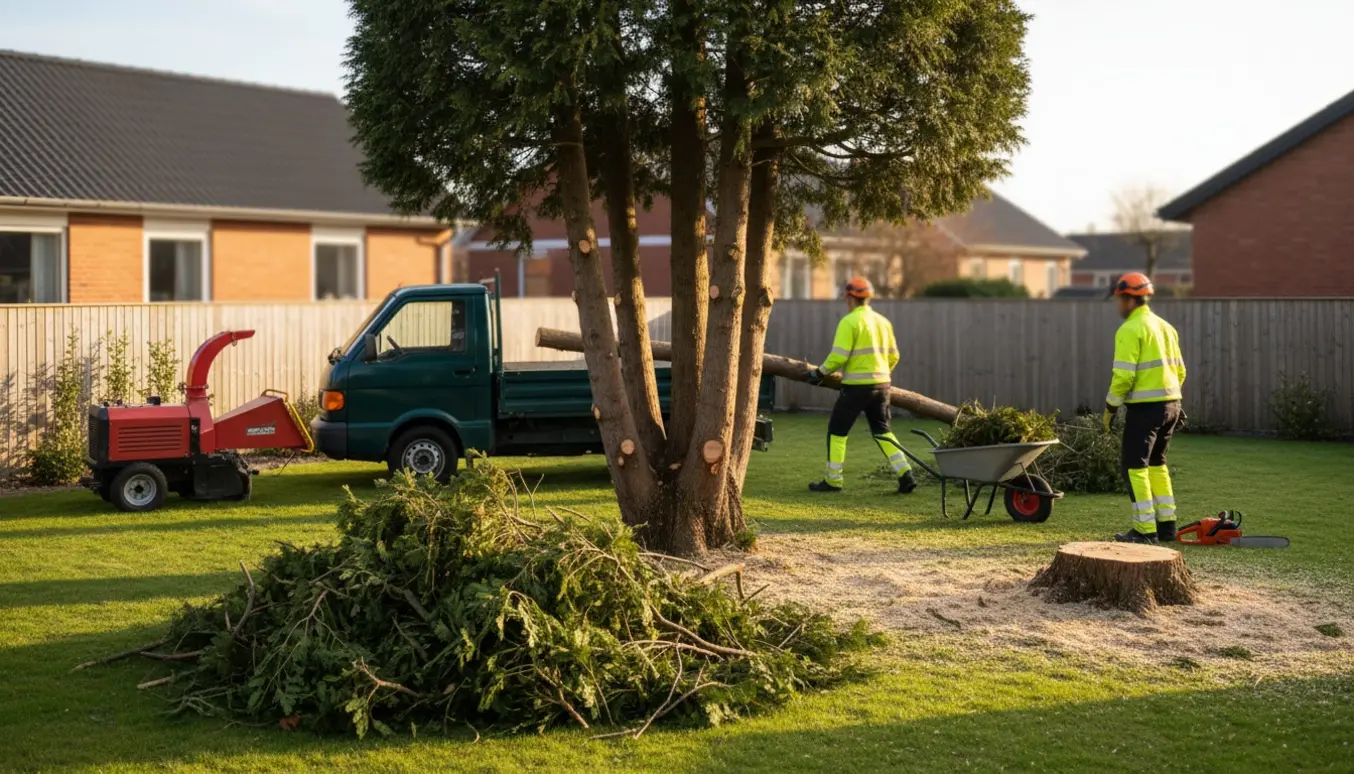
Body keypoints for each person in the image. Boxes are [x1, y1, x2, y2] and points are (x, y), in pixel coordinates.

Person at [806, 277, 918, 494]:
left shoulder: (849, 322)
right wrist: (881, 373)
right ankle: (906, 474)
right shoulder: (883, 322)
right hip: (882, 386)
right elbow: (894, 356)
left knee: (837, 431)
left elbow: (838, 357)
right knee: (883, 431)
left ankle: (833, 480)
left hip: (856, 389)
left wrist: (819, 372)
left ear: (850, 297)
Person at [1103, 272, 1186, 544]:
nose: (1117, 306)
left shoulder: (1129, 330)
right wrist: (1171, 400)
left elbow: (1124, 377)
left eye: (1119, 300)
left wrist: (1110, 408)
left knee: (1134, 467)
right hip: (1171, 406)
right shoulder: (1166, 327)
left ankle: (1144, 530)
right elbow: (1180, 371)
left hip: (1144, 410)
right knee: (1157, 464)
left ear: (1129, 299)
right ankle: (1167, 527)